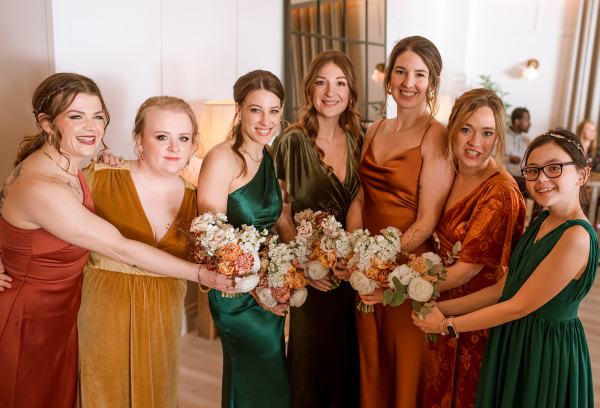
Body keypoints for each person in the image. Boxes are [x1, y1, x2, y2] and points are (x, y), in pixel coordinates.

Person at [0, 73, 232, 408]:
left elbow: (8, 202)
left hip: (63, 314)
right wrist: (200, 274)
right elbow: (119, 247)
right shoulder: (46, 183)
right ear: (47, 123)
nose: (91, 126)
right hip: (29, 317)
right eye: (76, 116)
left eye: (97, 116)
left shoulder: (73, 168)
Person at [414, 128, 597, 407]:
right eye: (533, 170)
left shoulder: (577, 237)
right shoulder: (542, 221)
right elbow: (503, 289)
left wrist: (446, 325)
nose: (541, 179)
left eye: (554, 168)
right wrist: (440, 306)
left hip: (543, 351)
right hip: (514, 337)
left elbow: (519, 305)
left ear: (582, 175)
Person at [346, 36, 454, 408]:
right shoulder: (374, 129)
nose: (409, 82)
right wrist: (356, 253)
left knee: (403, 364)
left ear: (432, 82)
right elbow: (360, 198)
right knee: (371, 361)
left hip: (405, 272)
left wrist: (382, 269)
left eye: (419, 75)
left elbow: (426, 221)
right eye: (401, 72)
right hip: (366, 266)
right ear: (388, 77)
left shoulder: (435, 135)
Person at [78, 96, 201, 407]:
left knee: (158, 394)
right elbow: (36, 209)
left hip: (163, 315)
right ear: (138, 141)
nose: (175, 148)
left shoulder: (199, 202)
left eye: (183, 138)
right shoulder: (101, 176)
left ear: (193, 145)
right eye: (162, 137)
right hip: (105, 311)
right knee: (105, 393)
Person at [422, 88, 525, 407]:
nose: (474, 142)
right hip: (438, 307)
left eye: (487, 133)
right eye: (466, 129)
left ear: (498, 138)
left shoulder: (499, 192)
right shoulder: (451, 171)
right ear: (453, 128)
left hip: (474, 320)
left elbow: (465, 272)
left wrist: (401, 285)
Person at [271, 50, 362, 407]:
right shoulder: (292, 141)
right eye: (322, 82)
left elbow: (361, 201)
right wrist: (308, 265)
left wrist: (352, 255)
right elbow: (281, 212)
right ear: (310, 89)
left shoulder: (358, 140)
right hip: (311, 276)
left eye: (340, 83)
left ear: (350, 92)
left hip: (348, 273)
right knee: (311, 363)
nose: (330, 92)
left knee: (347, 360)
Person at [196, 70, 291, 407]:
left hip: (266, 286)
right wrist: (258, 289)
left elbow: (276, 222)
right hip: (235, 291)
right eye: (256, 109)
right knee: (262, 375)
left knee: (262, 375)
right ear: (239, 109)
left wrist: (281, 277)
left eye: (274, 110)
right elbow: (209, 239)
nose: (266, 120)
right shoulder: (223, 158)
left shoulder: (266, 155)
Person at [504, 107, 531, 177]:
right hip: (505, 178)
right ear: (517, 121)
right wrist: (509, 159)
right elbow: (492, 160)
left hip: (524, 178)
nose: (529, 123)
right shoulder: (501, 137)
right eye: (527, 120)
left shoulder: (527, 140)